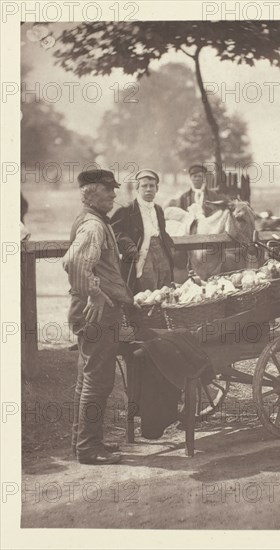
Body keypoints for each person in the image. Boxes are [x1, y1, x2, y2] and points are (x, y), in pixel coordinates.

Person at [63, 169, 134, 465]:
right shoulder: (93, 225)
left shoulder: (91, 220)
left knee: (86, 379)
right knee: (98, 381)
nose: (114, 195)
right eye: (109, 190)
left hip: (92, 312)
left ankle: (83, 442)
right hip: (97, 314)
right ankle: (89, 449)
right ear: (91, 192)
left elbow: (77, 262)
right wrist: (95, 293)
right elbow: (76, 263)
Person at [111, 169, 174, 293]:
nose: (148, 189)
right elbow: (113, 231)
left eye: (152, 186)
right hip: (141, 256)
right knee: (147, 291)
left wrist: (169, 245)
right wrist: (128, 244)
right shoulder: (128, 209)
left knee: (165, 288)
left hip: (161, 254)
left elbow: (162, 232)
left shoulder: (159, 210)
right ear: (137, 188)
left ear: (157, 189)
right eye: (144, 186)